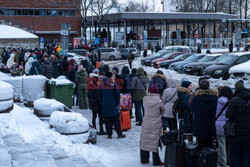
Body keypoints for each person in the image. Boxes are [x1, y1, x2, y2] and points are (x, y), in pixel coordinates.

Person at [225, 81, 250, 167]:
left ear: (236, 89)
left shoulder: (234, 100)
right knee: (247, 153)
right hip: (248, 132)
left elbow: (228, 114)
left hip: (236, 132)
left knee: (235, 154)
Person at [190, 79, 218, 151]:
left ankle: (201, 160)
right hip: (210, 124)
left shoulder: (197, 98)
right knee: (209, 145)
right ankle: (209, 160)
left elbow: (192, 107)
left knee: (200, 145)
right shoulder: (214, 98)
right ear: (209, 87)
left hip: (199, 124)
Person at [140, 84, 164, 166]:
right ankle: (156, 161)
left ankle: (144, 159)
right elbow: (162, 111)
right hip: (156, 122)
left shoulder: (144, 99)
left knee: (145, 139)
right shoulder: (159, 100)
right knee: (154, 141)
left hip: (146, 121)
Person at [98, 71, 126, 139]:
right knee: (116, 120)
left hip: (104, 105)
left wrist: (102, 103)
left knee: (107, 120)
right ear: (111, 76)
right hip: (113, 105)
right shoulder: (114, 84)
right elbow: (117, 95)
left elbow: (99, 96)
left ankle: (109, 134)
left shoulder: (101, 85)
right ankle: (119, 134)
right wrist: (116, 103)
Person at [216, 86, 233, 167]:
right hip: (229, 124)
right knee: (229, 144)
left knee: (221, 144)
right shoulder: (231, 101)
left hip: (219, 124)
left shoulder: (218, 101)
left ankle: (223, 161)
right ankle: (230, 160)